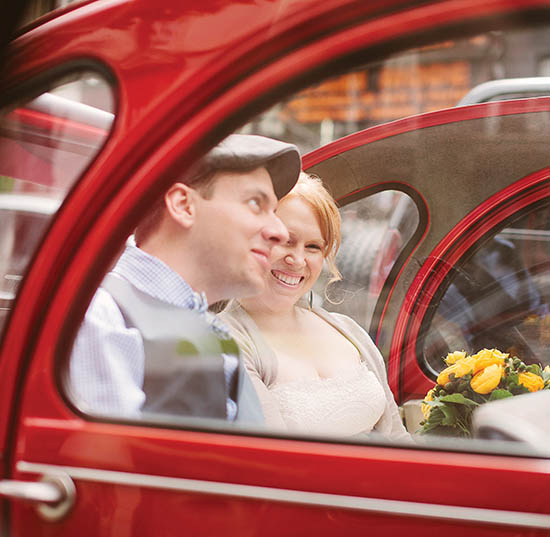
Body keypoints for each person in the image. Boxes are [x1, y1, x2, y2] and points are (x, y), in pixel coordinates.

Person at [69, 134, 301, 424]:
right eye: (256, 203)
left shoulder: (207, 326)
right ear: (183, 205)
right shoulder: (99, 317)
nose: (280, 231)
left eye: (275, 211)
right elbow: (106, 467)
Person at [220, 173, 409, 440]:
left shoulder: (347, 330)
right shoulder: (227, 343)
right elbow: (275, 458)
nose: (297, 260)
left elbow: (398, 438)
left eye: (312, 247)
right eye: (285, 241)